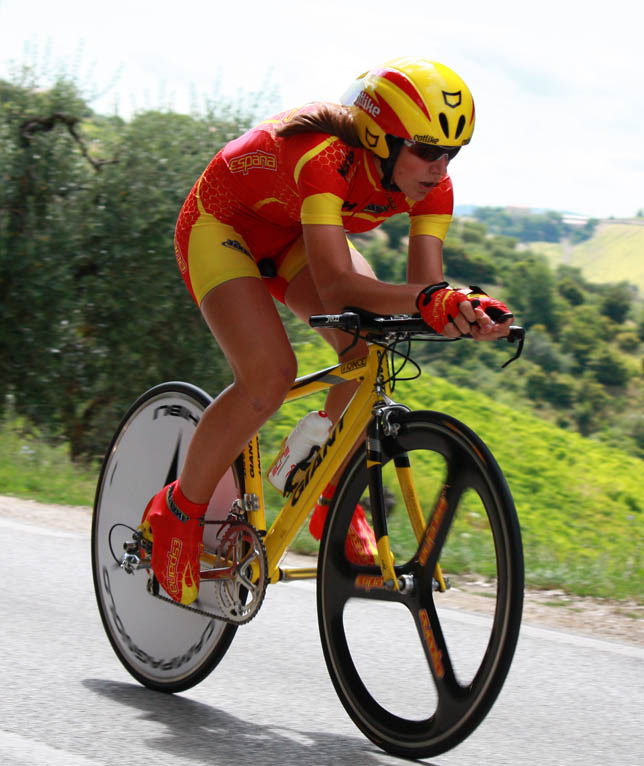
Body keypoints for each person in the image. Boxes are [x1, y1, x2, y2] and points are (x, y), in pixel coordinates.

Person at [139, 57, 514, 605]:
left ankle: (328, 490)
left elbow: (423, 293)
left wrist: (465, 313)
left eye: (452, 152)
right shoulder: (324, 158)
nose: (441, 166)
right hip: (223, 225)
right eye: (428, 149)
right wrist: (436, 299)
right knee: (269, 377)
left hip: (292, 234)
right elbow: (337, 286)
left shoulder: (434, 187)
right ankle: (176, 513)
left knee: (371, 343)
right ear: (379, 140)